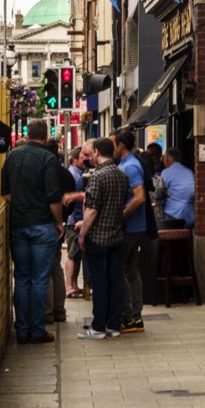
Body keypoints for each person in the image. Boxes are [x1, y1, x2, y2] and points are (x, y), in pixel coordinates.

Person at [1, 118, 63, 344]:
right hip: (42, 226)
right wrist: (59, 223)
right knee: (39, 279)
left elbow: (5, 194)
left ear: (27, 134)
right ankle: (37, 331)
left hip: (18, 225)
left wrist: (21, 203)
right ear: (45, 136)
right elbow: (53, 197)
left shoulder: (12, 157)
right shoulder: (48, 158)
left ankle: (22, 330)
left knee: (22, 277)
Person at [77, 137, 129, 340]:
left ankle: (98, 326)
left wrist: (82, 236)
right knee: (115, 281)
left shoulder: (98, 177)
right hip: (117, 236)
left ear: (97, 152)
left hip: (98, 237)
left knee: (99, 283)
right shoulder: (121, 175)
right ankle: (113, 324)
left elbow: (92, 211)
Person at [112, 127, 155, 334]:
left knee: (120, 269)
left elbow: (139, 197)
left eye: (113, 144)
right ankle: (135, 316)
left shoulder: (130, 167)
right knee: (130, 270)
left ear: (121, 145)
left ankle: (129, 316)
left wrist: (122, 215)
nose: (112, 148)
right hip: (136, 226)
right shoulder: (128, 164)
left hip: (131, 227)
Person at [44, 138, 76, 324]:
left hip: (45, 223)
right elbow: (70, 204)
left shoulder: (44, 171)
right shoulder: (66, 174)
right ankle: (59, 310)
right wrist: (62, 219)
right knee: (56, 267)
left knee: (45, 270)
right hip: (59, 225)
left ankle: (48, 312)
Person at [63, 143, 92, 298]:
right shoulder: (75, 175)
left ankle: (74, 285)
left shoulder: (80, 173)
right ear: (75, 160)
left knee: (76, 255)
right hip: (74, 220)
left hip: (76, 219)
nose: (85, 160)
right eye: (82, 157)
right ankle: (69, 286)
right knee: (72, 254)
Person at [159, 147, 196, 228]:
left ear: (167, 159)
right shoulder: (189, 172)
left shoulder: (166, 172)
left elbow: (160, 192)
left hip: (172, 216)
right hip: (190, 216)